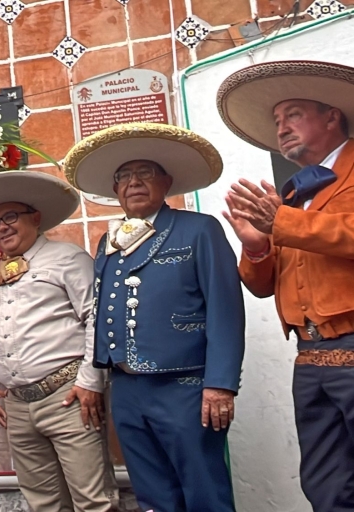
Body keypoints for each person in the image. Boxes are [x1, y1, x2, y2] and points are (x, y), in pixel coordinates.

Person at [64, 122, 246, 512]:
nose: (134, 183)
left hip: (185, 386)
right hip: (127, 389)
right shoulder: (108, 243)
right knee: (152, 496)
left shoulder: (199, 229)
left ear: (167, 182)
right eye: (124, 177)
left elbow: (226, 310)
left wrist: (220, 384)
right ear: (115, 191)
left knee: (204, 491)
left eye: (145, 174)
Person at [217, 60, 354, 511]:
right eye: (277, 121)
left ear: (332, 115)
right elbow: (263, 286)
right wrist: (256, 247)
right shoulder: (294, 195)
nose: (282, 129)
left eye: (293, 114)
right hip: (310, 359)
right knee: (324, 484)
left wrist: (282, 222)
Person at [0, 171, 119, 512]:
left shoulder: (68, 258)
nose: (2, 227)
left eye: (10, 217)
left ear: (35, 218)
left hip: (68, 399)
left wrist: (91, 383)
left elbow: (97, 319)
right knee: (44, 505)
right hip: (19, 408)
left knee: (94, 503)